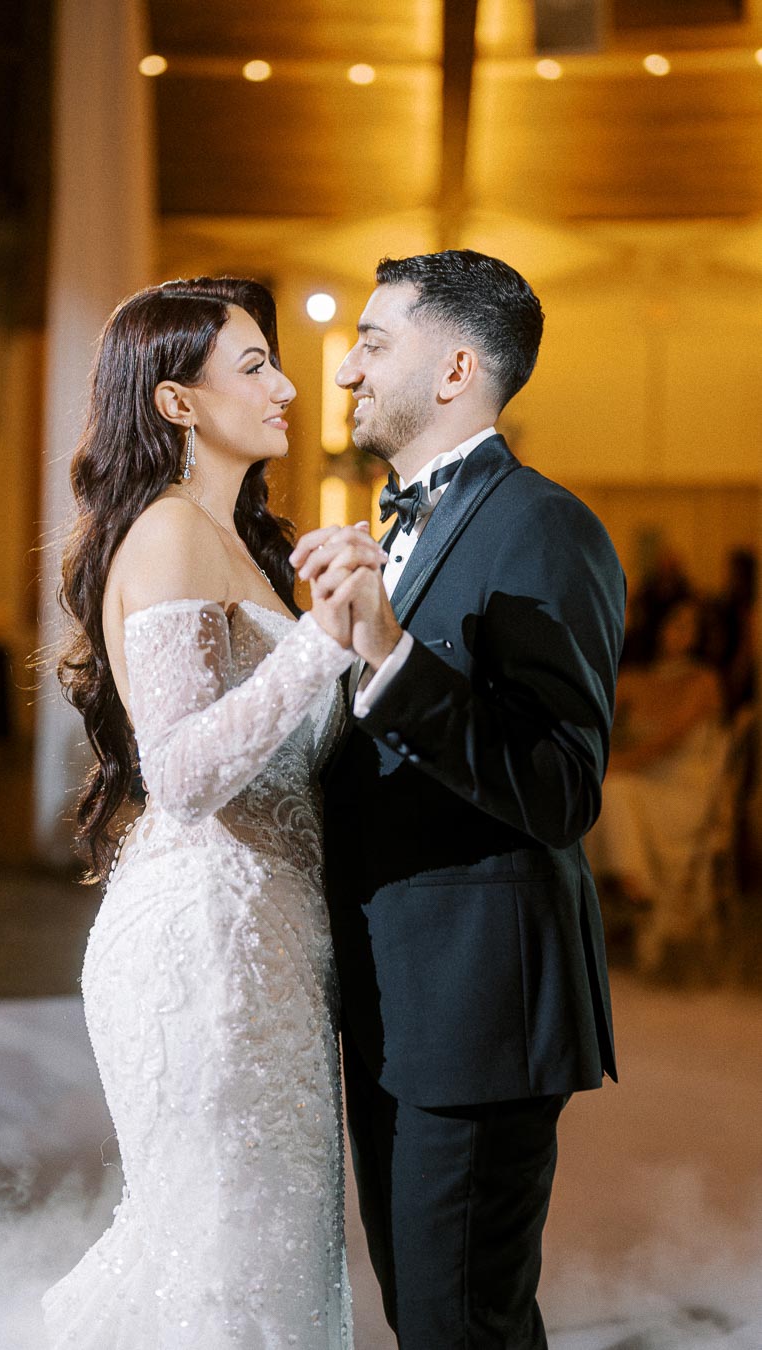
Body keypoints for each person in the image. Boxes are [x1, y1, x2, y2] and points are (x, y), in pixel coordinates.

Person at [290, 249, 626, 1349]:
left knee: (458, 1323)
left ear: (455, 369)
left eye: (374, 342)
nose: (346, 371)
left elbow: (565, 785)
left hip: (480, 1003)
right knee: (424, 1314)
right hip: (394, 994)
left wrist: (390, 660)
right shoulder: (392, 522)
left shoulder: (547, 526)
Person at [43, 277, 386, 1349]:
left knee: (268, 1259)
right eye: (253, 366)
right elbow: (184, 771)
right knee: (230, 1263)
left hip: (267, 942)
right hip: (208, 947)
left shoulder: (238, 540)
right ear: (178, 401)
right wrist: (327, 644)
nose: (288, 385)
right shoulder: (167, 534)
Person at [585, 597, 727, 971]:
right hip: (639, 783)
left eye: (690, 626)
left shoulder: (704, 681)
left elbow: (667, 743)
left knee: (611, 791)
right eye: (674, 623)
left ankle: (638, 892)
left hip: (684, 793)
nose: (681, 633)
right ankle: (623, 893)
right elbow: (601, 727)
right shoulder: (636, 678)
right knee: (596, 793)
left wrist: (613, 767)